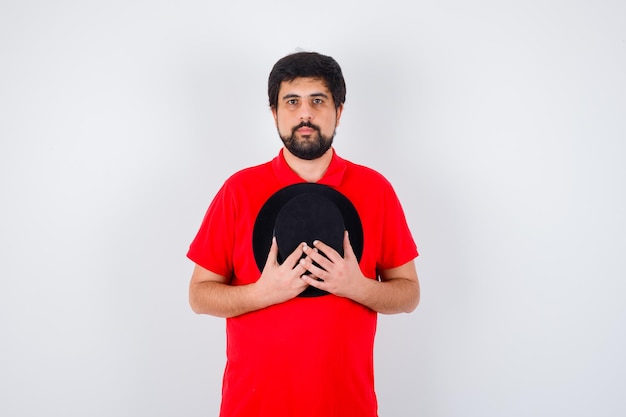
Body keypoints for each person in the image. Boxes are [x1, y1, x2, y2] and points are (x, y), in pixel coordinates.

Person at [187, 51, 420, 417]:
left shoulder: (376, 190)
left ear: (338, 111)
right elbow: (199, 295)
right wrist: (263, 294)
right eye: (292, 102)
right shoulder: (239, 190)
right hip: (253, 406)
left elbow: (409, 293)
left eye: (318, 101)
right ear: (275, 113)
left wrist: (357, 287)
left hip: (347, 406)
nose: (305, 114)